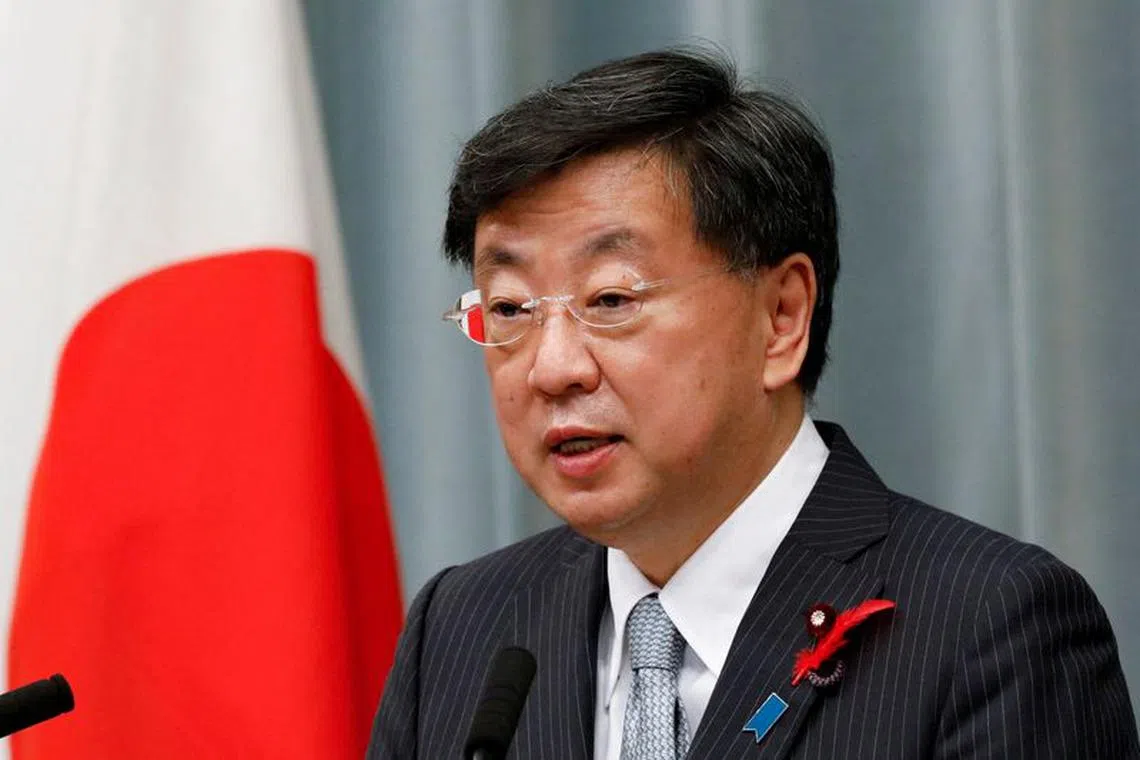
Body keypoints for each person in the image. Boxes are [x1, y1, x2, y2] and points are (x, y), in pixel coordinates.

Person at [367, 49, 1138, 759]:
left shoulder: (988, 625)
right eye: (509, 309)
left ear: (781, 318)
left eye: (609, 298)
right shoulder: (461, 629)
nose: (553, 368)